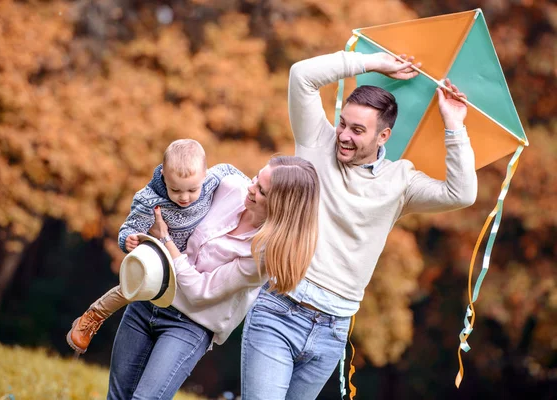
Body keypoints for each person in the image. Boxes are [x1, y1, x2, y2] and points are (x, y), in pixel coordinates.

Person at [240, 51, 478, 399]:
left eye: (357, 130)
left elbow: (462, 193)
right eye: (342, 123)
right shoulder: (316, 142)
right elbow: (300, 75)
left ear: (383, 136)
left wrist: (454, 125)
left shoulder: (400, 183)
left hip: (332, 331)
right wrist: (374, 62)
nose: (344, 136)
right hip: (280, 310)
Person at [107, 156, 320, 399]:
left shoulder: (263, 254)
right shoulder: (229, 187)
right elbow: (175, 182)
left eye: (261, 191)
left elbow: (200, 292)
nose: (250, 188)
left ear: (281, 206)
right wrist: (136, 228)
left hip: (189, 324)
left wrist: (165, 239)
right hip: (151, 298)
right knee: (117, 395)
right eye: (255, 178)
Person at [66, 138, 245, 354]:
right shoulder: (150, 200)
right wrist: (128, 239)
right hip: (160, 255)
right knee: (135, 287)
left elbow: (233, 173)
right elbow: (130, 227)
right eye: (176, 190)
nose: (184, 197)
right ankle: (95, 315)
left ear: (205, 174)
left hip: (191, 256)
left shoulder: (214, 178)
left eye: (191, 190)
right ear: (163, 176)